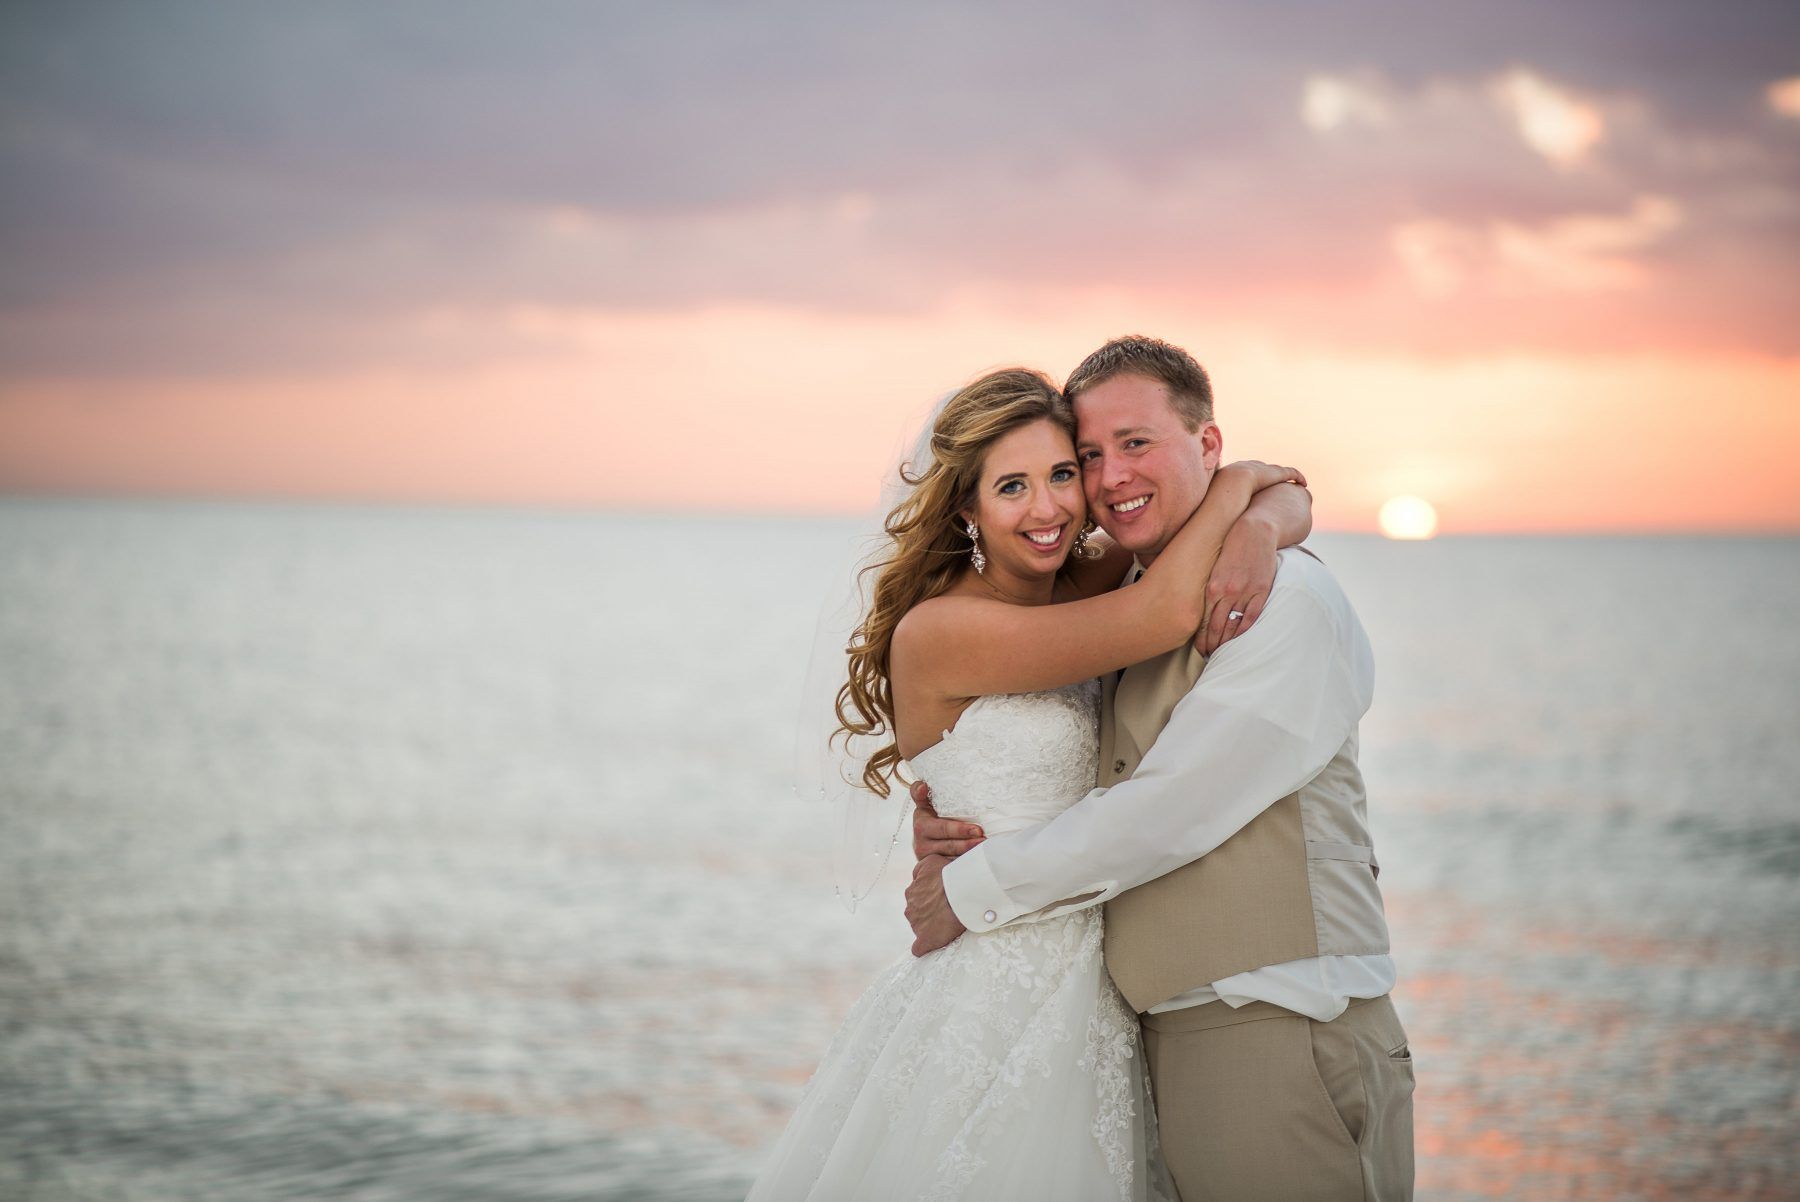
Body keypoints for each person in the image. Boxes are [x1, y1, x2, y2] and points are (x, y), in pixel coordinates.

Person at [746, 366, 1312, 1201]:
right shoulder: (943, 631)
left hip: (1103, 974)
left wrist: (1263, 519)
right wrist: (1238, 482)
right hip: (994, 980)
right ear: (967, 507)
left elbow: (1290, 495)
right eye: (1012, 486)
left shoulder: (1077, 581)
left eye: (1061, 475)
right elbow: (1162, 612)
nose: (1048, 510)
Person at [905, 336, 1413, 1201]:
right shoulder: (1114, 594)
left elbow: (1168, 810)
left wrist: (969, 884)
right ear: (967, 508)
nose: (1101, 482)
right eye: (1089, 456)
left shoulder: (1282, 599)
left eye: (1131, 445)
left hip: (1279, 1019)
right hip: (1124, 1028)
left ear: (1207, 447)